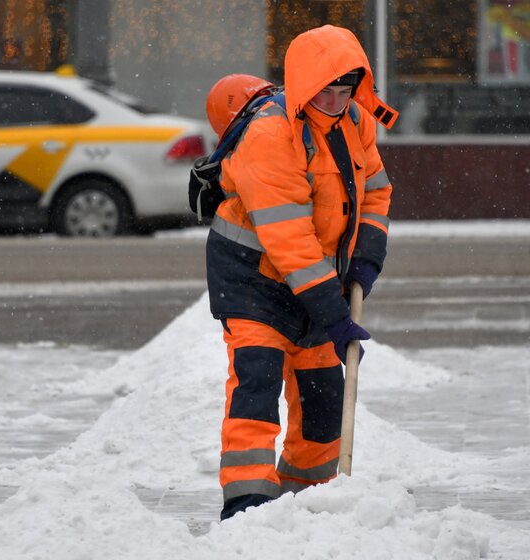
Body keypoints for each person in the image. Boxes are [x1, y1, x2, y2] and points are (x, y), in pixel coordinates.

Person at [204, 24, 399, 520]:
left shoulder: (355, 120)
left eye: (346, 87)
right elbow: (288, 238)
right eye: (326, 88)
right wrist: (335, 315)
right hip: (254, 281)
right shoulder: (271, 135)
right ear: (303, 83)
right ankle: (248, 503)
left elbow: (375, 191)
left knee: (322, 397)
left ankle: (305, 500)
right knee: (258, 382)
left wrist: (366, 260)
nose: (336, 99)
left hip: (315, 282)